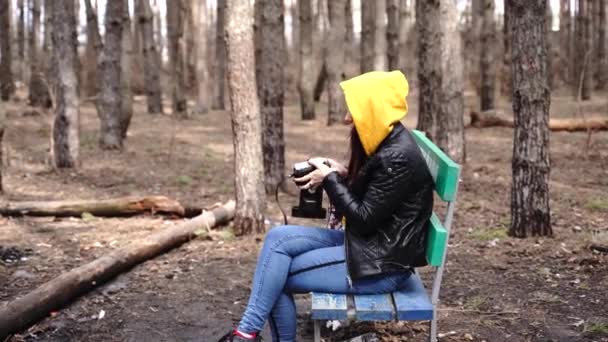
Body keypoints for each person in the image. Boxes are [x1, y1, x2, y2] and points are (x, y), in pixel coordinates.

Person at [218, 71, 435, 342]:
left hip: (381, 266)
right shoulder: (388, 142)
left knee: (277, 278)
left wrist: (330, 180)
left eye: (354, 109)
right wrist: (342, 174)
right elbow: (375, 202)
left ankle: (245, 335)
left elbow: (363, 218)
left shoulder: (396, 158)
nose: (346, 118)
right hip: (370, 247)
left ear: (373, 109)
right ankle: (247, 333)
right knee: (276, 239)